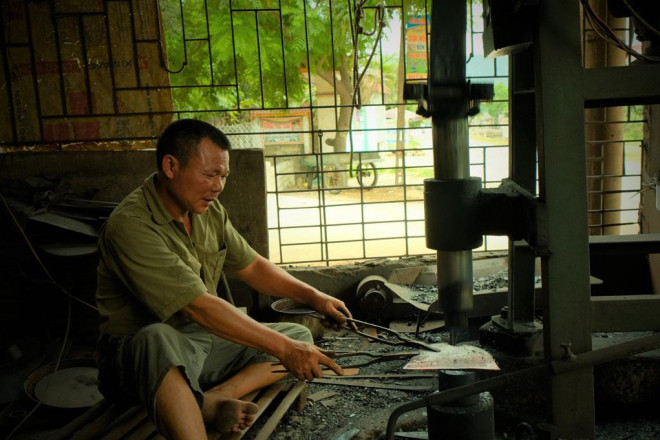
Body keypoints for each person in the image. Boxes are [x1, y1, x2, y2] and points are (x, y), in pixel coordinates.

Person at [95, 118, 353, 439]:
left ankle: (213, 399)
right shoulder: (130, 225)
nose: (218, 186)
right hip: (138, 363)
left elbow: (253, 267)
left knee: (296, 333)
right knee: (156, 338)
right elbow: (198, 307)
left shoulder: (207, 211)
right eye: (210, 175)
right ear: (171, 166)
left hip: (199, 344)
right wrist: (286, 350)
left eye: (223, 176)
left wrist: (315, 297)